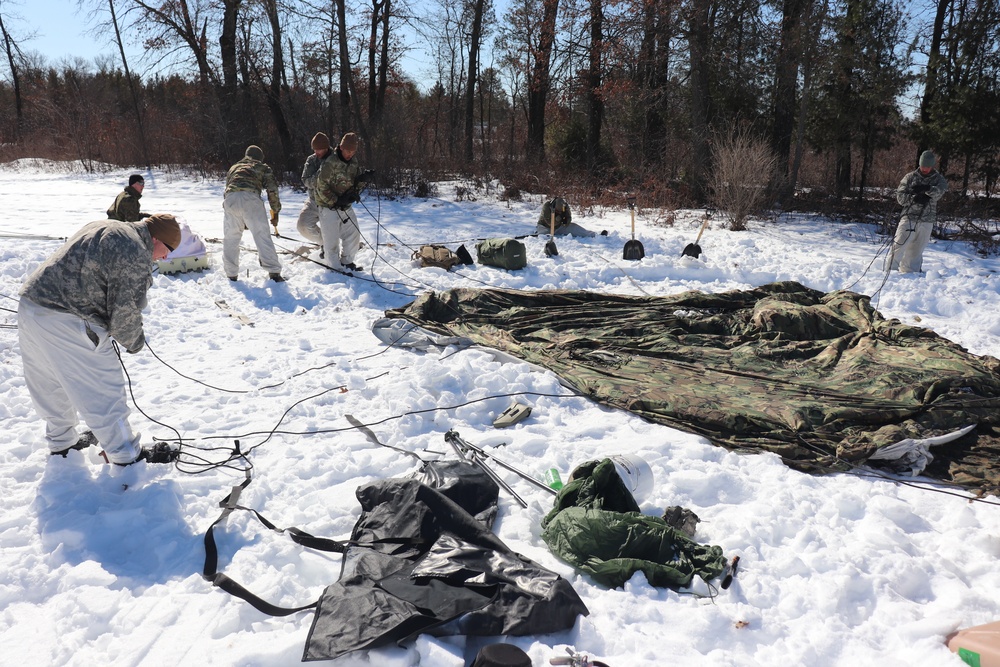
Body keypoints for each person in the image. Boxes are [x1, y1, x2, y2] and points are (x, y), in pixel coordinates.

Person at [18, 214, 182, 465]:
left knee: (50, 383)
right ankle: (126, 455)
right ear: (156, 237)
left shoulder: (106, 226)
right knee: (104, 390)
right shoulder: (136, 249)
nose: (166, 257)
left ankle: (63, 444)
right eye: (168, 249)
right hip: (69, 320)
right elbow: (123, 312)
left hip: (31, 307)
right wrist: (136, 341)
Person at [223, 145, 284, 282]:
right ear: (260, 158)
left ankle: (231, 274)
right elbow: (272, 189)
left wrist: (240, 218)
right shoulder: (262, 167)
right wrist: (275, 211)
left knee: (231, 237)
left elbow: (228, 188)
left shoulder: (234, 167)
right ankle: (274, 272)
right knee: (262, 235)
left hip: (230, 200)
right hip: (251, 199)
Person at [314, 132, 373, 271]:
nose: (350, 154)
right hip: (328, 207)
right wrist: (336, 201)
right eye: (347, 150)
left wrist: (361, 182)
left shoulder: (353, 162)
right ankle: (334, 268)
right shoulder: (330, 162)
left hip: (345, 206)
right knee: (331, 241)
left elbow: (353, 183)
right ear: (341, 147)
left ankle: (347, 262)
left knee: (353, 234)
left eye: (353, 151)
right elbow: (321, 187)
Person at [888, 150, 948, 274]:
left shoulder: (938, 179)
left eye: (928, 167)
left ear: (932, 166)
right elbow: (900, 197)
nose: (925, 169)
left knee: (917, 250)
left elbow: (939, 192)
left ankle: (911, 273)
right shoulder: (910, 177)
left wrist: (927, 189)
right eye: (923, 166)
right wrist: (913, 199)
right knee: (899, 245)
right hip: (909, 217)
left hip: (927, 220)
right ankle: (890, 271)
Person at [296, 132, 332, 252]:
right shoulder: (311, 160)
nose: (316, 152)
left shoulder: (335, 159)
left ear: (326, 148)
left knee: (334, 229)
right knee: (302, 226)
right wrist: (320, 176)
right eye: (315, 149)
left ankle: (333, 248)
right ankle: (324, 244)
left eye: (319, 150)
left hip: (331, 202)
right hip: (313, 200)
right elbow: (306, 180)